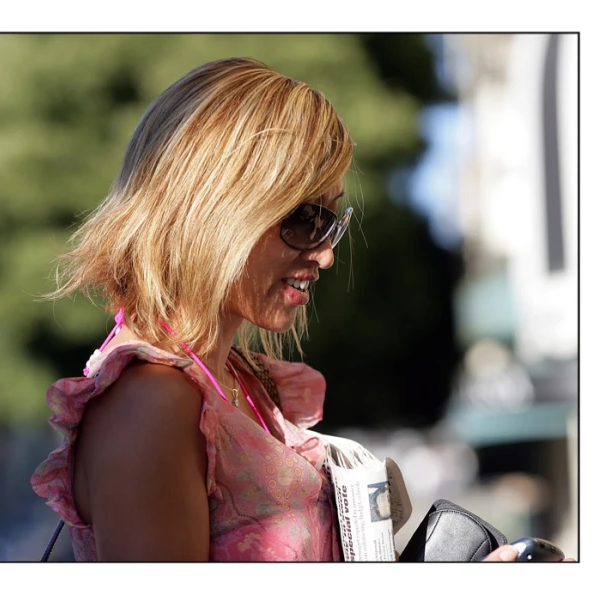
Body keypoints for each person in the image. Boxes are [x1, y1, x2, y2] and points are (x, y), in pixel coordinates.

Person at [30, 57, 574, 563]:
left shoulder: (236, 381)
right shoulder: (151, 402)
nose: (327, 252)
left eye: (333, 220)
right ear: (215, 210)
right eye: (306, 219)